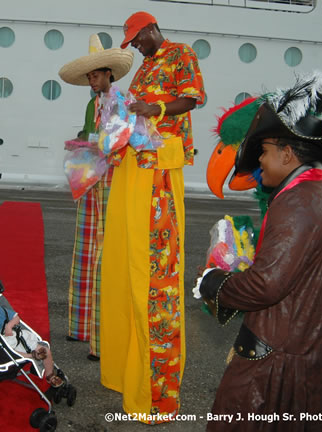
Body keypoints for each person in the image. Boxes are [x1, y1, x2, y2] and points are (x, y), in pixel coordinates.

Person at [195, 73, 322, 431]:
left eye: (266, 152)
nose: (261, 163)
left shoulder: (296, 202)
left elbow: (266, 286)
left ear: (287, 154)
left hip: (284, 362)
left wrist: (213, 282)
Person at [99, 11, 205, 421]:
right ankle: (126, 373)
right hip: (133, 167)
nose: (136, 47)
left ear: (148, 30)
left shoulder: (181, 54)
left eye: (136, 40)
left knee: (153, 276)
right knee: (125, 269)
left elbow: (194, 98)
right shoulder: (143, 70)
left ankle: (155, 390)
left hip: (160, 168)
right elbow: (135, 115)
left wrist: (153, 108)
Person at [58, 33, 133, 360]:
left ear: (108, 74)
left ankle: (101, 341)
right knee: (86, 249)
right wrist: (79, 141)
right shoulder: (93, 104)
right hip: (93, 179)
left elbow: (118, 140)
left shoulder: (120, 100)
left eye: (95, 75)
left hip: (111, 180)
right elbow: (92, 135)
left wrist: (90, 144)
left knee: (104, 251)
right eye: (89, 76)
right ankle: (81, 325)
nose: (91, 80)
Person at [0, 289, 66, 388]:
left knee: (45, 350)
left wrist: (9, 325)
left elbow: (16, 318)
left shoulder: (0, 311)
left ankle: (50, 375)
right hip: (5, 346)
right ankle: (31, 355)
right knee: (11, 351)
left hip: (17, 336)